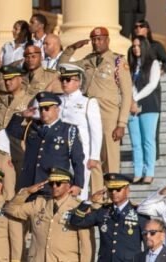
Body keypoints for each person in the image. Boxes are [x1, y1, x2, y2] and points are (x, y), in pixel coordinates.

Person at [62, 27, 133, 176]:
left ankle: (112, 188)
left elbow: (127, 95)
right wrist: (71, 48)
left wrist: (121, 124)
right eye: (93, 40)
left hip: (108, 115)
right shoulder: (87, 60)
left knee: (110, 157)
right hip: (88, 113)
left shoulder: (118, 61)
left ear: (108, 40)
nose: (96, 42)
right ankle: (97, 190)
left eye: (100, 39)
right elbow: (62, 67)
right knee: (93, 156)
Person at [7, 92, 85, 197]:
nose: (43, 112)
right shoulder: (33, 127)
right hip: (29, 184)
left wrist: (78, 184)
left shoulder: (68, 130)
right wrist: (20, 115)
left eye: (47, 108)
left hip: (53, 185)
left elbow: (77, 159)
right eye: (41, 109)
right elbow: (12, 130)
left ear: (57, 109)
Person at [58, 64, 104, 200]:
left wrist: (94, 156)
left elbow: (96, 131)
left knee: (79, 191)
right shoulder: (57, 101)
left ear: (78, 82)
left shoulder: (88, 102)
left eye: (68, 79)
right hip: (60, 152)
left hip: (81, 152)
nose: (64, 83)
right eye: (62, 79)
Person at [128, 36, 162, 185]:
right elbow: (129, 85)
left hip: (149, 105)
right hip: (132, 106)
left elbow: (152, 85)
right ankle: (137, 172)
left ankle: (149, 172)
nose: (136, 49)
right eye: (134, 46)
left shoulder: (153, 63)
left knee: (148, 140)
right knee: (136, 142)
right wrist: (131, 101)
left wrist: (135, 98)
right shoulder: (131, 65)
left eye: (138, 46)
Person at [0, 66, 31, 173]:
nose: (7, 83)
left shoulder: (30, 100)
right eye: (5, 80)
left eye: (11, 79)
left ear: (20, 79)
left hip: (17, 147)